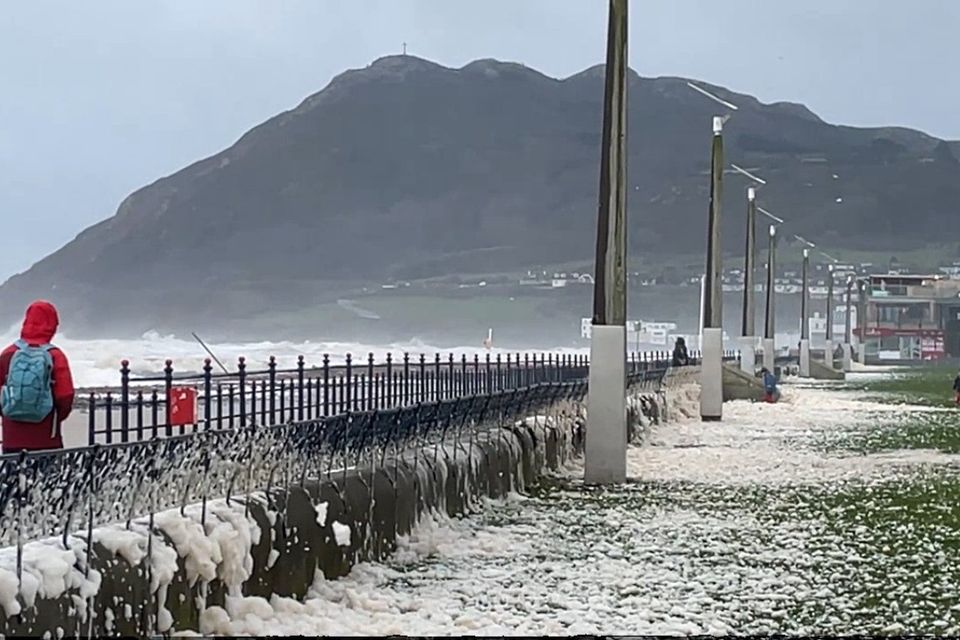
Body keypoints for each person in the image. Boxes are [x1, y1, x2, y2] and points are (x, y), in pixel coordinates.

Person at [0, 301, 75, 454]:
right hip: (46, 437)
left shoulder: (8, 353)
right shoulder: (55, 356)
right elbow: (65, 395)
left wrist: (8, 413)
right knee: (47, 477)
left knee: (13, 477)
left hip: (12, 437)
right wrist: (54, 417)